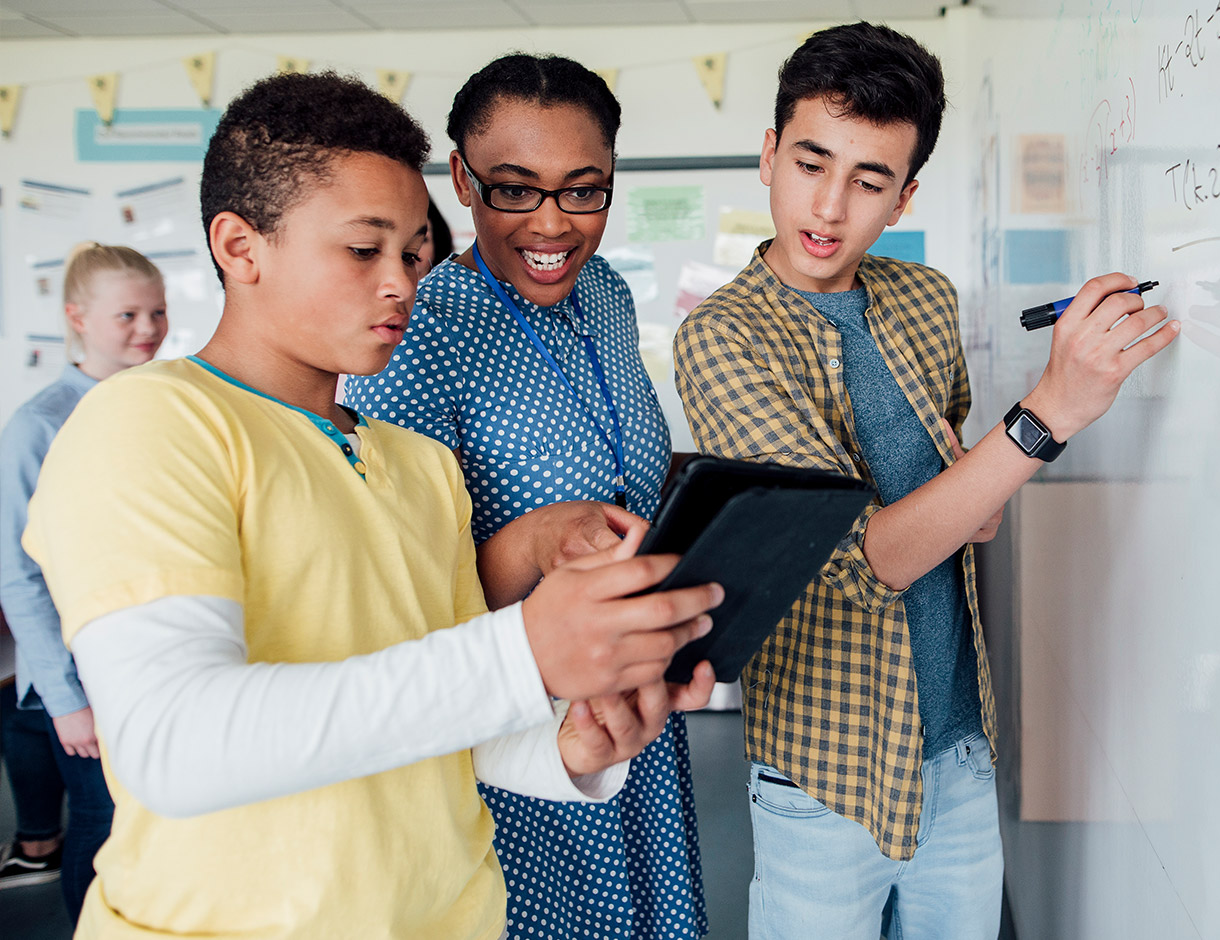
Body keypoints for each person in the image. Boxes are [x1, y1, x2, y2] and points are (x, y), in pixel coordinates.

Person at [22, 71, 719, 939]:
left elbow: (451, 717)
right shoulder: (151, 423)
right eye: (364, 250)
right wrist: (527, 649)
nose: (401, 283)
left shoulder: (418, 466)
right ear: (241, 248)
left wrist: (569, 746)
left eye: (415, 253)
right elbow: (174, 743)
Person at [672, 22, 1181, 939]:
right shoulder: (723, 336)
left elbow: (965, 511)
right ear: (767, 155)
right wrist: (1047, 414)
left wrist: (973, 490)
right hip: (826, 769)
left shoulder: (924, 298)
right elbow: (861, 561)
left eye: (868, 181)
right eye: (810, 162)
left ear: (903, 197)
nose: (828, 206)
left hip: (958, 745)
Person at [345, 53, 707, 940]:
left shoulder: (611, 297)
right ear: (463, 182)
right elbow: (399, 598)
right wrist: (537, 539)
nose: (554, 223)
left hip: (634, 704)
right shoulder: (417, 326)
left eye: (585, 191)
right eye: (516, 189)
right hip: (514, 728)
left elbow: (620, 471)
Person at [0, 241, 166, 920]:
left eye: (157, 312)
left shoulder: (163, 403)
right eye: (127, 314)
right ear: (77, 317)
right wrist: (66, 699)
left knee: (147, 826)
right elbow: (20, 576)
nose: (148, 329)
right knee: (101, 827)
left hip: (147, 659)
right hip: (79, 680)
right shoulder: (39, 425)